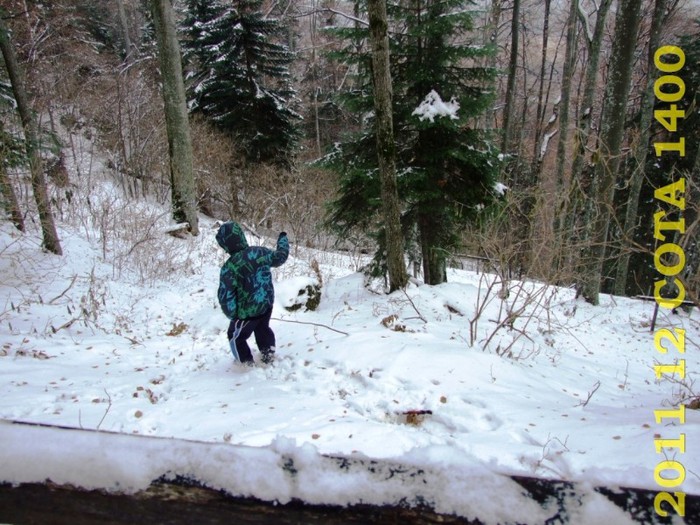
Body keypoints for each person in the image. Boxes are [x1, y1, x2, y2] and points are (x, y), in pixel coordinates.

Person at [216, 221, 289, 365]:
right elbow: (280, 257)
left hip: (246, 313)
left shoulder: (229, 267)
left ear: (226, 245)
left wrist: (233, 315)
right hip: (266, 305)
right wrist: (283, 239)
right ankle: (268, 351)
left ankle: (245, 363)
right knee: (263, 328)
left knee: (236, 337)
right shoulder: (260, 252)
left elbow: (226, 296)